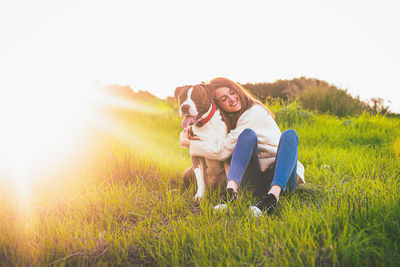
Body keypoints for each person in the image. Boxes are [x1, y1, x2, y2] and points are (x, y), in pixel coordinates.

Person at [180, 77, 305, 217]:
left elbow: (221, 151)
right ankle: (230, 195)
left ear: (238, 89)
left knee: (290, 135)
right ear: (219, 105)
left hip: (282, 177)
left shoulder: (254, 112)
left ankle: (271, 199)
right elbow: (221, 143)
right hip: (255, 180)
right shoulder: (234, 120)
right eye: (223, 99)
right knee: (247, 136)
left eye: (232, 92)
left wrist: (189, 144)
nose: (231, 99)